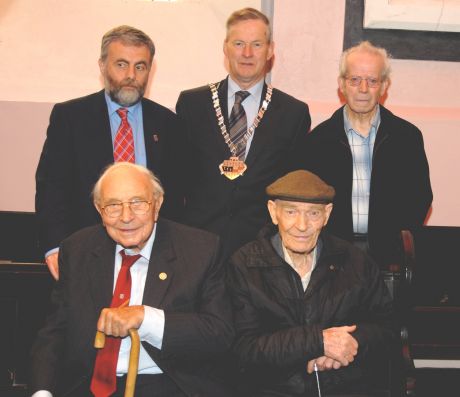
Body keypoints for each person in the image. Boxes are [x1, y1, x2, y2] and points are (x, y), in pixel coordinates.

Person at [29, 162, 234, 397]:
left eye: (138, 203)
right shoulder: (78, 249)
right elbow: (55, 332)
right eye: (113, 206)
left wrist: (144, 318)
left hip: (167, 384)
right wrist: (42, 392)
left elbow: (219, 333)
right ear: (99, 209)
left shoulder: (200, 249)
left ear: (157, 204)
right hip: (88, 386)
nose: (126, 217)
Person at [36, 25, 184, 280]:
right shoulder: (70, 118)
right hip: (85, 252)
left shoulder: (167, 123)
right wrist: (56, 246)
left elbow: (179, 194)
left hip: (153, 256)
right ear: (102, 65)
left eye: (140, 66)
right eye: (121, 64)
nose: (130, 75)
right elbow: (52, 187)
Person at [228, 170, 394, 396]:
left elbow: (387, 329)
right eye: (290, 211)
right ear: (273, 212)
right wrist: (318, 341)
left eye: (313, 213)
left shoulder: (356, 262)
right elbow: (243, 348)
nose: (302, 225)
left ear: (327, 215)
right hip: (272, 389)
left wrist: (349, 344)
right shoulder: (245, 265)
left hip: (345, 387)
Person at [176, 8, 311, 260]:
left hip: (262, 251)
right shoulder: (192, 104)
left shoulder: (294, 113)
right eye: (239, 43)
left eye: (256, 44)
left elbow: (291, 190)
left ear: (270, 50)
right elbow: (178, 177)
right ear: (225, 48)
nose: (247, 53)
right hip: (197, 245)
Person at [303, 41, 432, 265]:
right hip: (331, 260)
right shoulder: (317, 141)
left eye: (372, 81)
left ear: (384, 86)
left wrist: (392, 245)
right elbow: (309, 204)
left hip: (389, 261)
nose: (363, 89)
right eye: (354, 80)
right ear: (342, 84)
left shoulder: (407, 138)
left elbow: (420, 198)